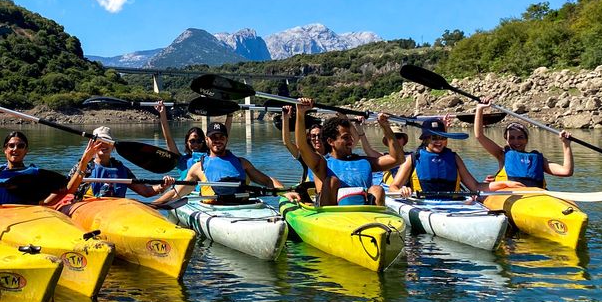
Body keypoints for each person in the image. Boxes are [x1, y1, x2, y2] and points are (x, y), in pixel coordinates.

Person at [0, 95, 70, 206]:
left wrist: (46, 204)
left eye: (20, 146)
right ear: (5, 149)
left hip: (30, 215)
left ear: (26, 150)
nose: (15, 149)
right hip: (4, 217)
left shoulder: (35, 174)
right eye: (11, 145)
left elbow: (65, 189)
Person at [294, 99, 404, 206]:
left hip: (364, 215)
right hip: (331, 216)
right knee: (332, 181)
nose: (351, 141)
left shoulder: (364, 162)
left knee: (377, 189)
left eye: (350, 137)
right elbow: (302, 147)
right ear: (331, 141)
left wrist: (385, 126)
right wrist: (300, 113)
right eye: (345, 138)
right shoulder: (322, 164)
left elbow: (398, 159)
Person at [163, 121, 296, 203]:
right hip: (214, 210)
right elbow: (176, 193)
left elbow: (267, 181)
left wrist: (285, 191)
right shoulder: (198, 168)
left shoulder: (242, 163)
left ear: (226, 139)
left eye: (221, 137)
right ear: (207, 140)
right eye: (213, 137)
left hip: (243, 207)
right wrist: (153, 205)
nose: (217, 140)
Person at [474, 102, 573, 189]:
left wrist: (566, 144)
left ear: (526, 139)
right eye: (511, 138)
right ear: (507, 140)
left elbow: (566, 171)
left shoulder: (539, 159)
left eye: (520, 137)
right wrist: (480, 109)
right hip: (510, 195)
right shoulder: (502, 154)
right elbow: (479, 136)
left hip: (536, 197)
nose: (516, 141)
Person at [67, 126, 175, 199]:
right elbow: (68, 191)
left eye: (107, 142)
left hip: (116, 210)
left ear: (113, 147)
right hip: (88, 209)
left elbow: (146, 191)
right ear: (92, 145)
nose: (103, 145)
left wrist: (162, 186)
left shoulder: (122, 169)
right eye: (99, 142)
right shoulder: (84, 166)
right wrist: (84, 161)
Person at [388, 117, 485, 198]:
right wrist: (401, 190)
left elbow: (475, 186)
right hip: (423, 205)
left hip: (454, 204)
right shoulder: (412, 159)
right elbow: (393, 187)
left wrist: (498, 184)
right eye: (434, 138)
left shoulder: (454, 158)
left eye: (442, 138)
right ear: (425, 139)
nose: (439, 142)